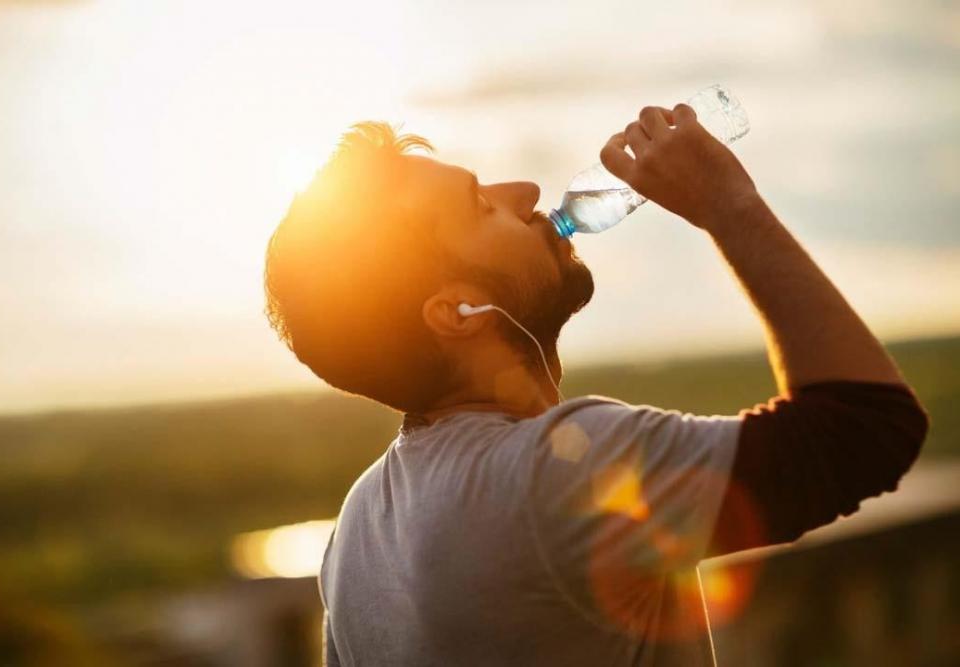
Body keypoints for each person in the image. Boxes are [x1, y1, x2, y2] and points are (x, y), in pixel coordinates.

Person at [263, 105, 929, 666]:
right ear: (456, 312)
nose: (525, 191)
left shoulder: (355, 533)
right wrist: (728, 204)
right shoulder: (555, 472)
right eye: (480, 205)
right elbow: (865, 429)